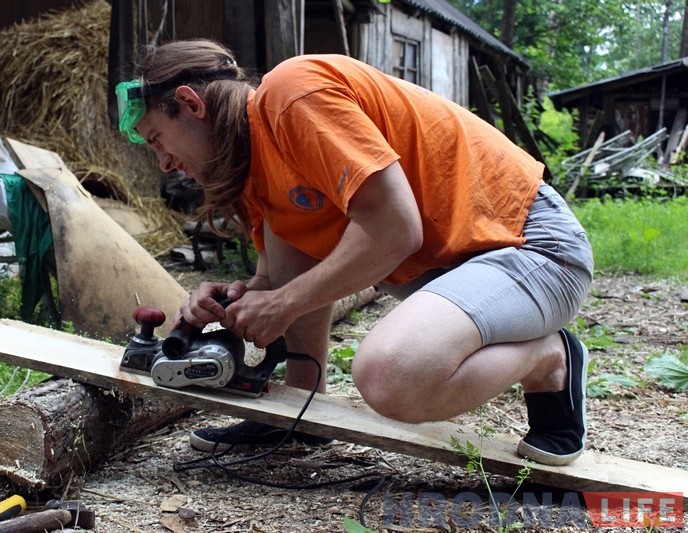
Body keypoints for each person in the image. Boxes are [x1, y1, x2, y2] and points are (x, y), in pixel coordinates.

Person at [115, 39, 594, 466]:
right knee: (290, 288)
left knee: (390, 377)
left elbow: (394, 228)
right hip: (458, 271)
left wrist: (283, 302)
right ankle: (299, 415)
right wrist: (233, 298)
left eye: (157, 138)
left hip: (534, 247)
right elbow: (282, 281)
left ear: (189, 102)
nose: (164, 163)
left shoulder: (292, 93)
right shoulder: (255, 164)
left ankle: (550, 357)